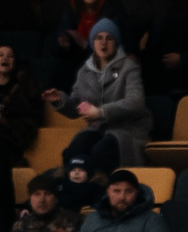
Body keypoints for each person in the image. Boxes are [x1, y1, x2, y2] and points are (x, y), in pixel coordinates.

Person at [52, 18, 150, 173]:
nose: (103, 43)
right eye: (99, 38)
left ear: (116, 42)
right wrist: (61, 100)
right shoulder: (85, 71)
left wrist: (101, 112)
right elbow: (78, 106)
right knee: (75, 150)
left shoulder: (129, 68)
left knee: (101, 151)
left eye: (109, 38)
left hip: (127, 131)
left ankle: (101, 188)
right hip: (99, 130)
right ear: (92, 42)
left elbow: (136, 102)